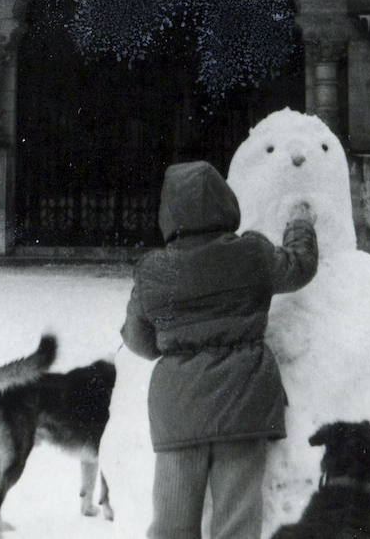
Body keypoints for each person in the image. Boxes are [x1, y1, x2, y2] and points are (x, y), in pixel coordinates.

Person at [121, 159, 318, 539]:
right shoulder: (251, 254)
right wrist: (300, 224)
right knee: (237, 522)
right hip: (242, 404)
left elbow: (139, 342)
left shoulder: (153, 271)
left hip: (177, 409)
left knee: (171, 526)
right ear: (225, 202)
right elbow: (299, 268)